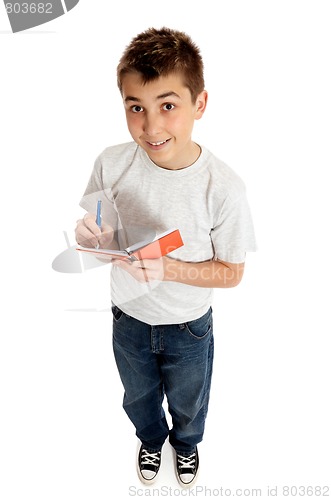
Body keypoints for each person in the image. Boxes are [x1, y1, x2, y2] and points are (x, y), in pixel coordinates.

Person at [75, 27, 256, 488]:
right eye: (136, 107)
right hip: (128, 316)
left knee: (189, 401)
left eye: (168, 106)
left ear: (200, 104)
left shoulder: (224, 188)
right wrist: (90, 234)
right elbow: (98, 224)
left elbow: (233, 272)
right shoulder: (110, 163)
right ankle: (151, 439)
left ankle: (187, 443)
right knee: (137, 397)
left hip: (188, 325)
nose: (151, 126)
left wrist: (168, 268)